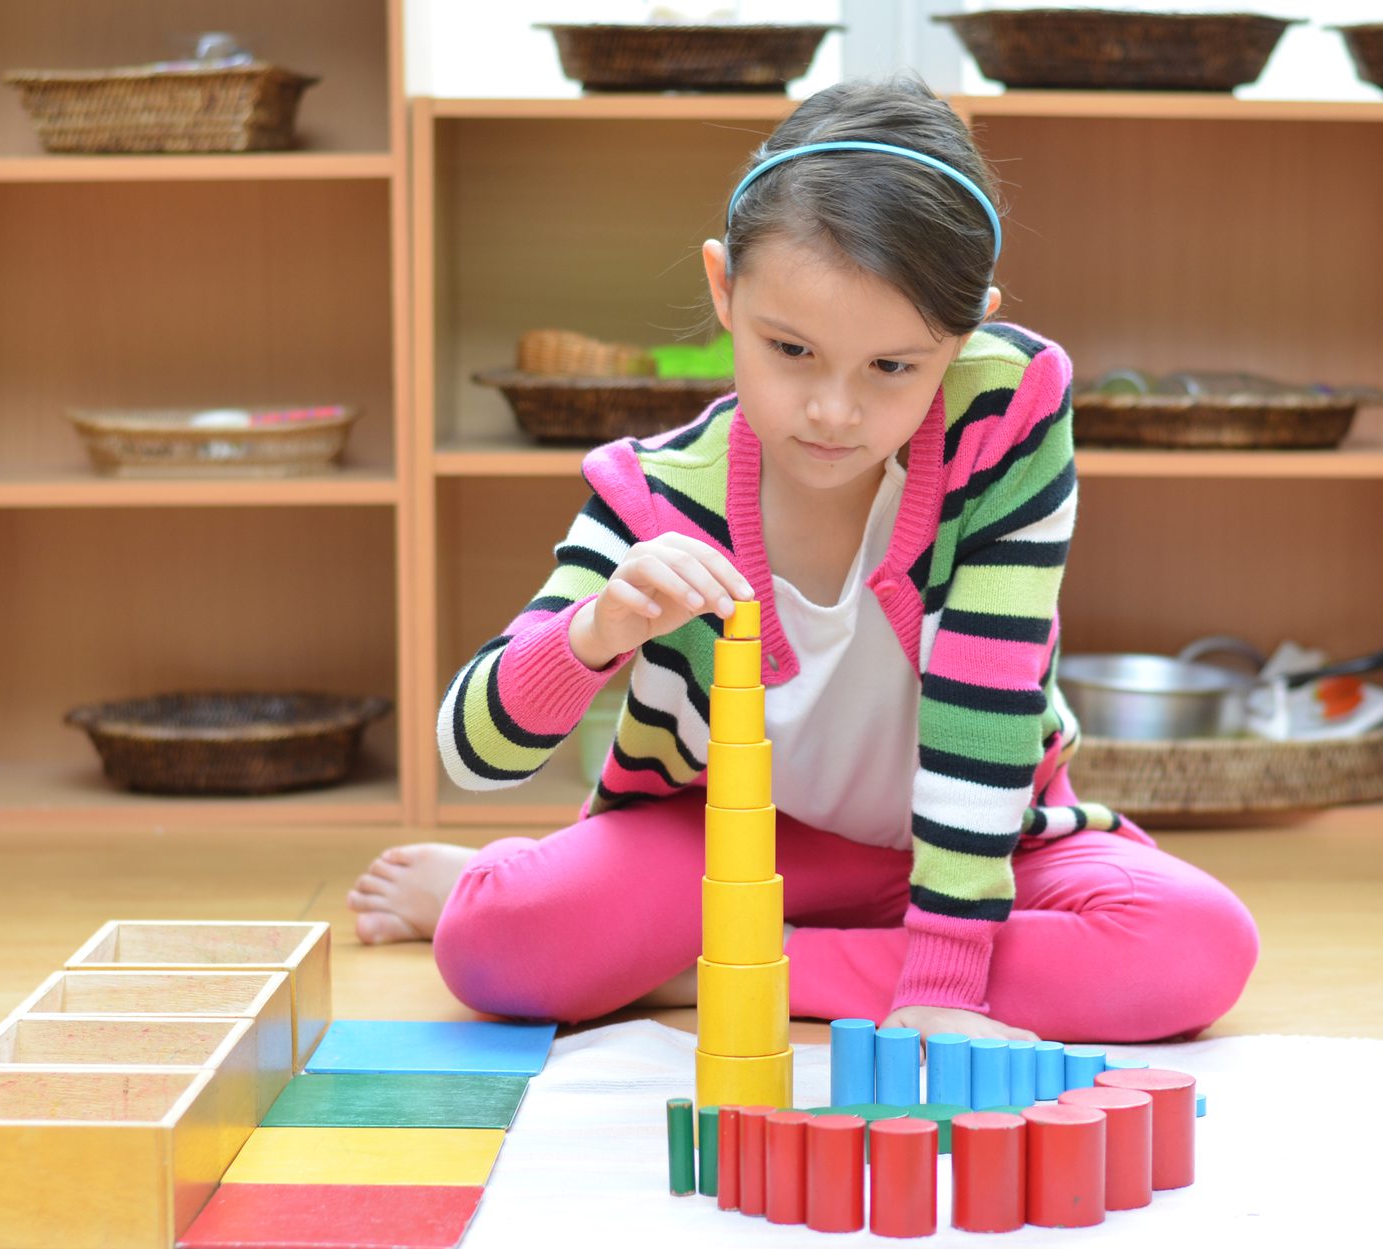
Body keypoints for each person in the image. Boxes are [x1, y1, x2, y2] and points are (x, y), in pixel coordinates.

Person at [349, 75, 1259, 1044]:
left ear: (965, 331)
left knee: (1198, 944)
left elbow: (986, 693)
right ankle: (632, 912)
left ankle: (723, 966)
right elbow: (469, 746)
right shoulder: (656, 492)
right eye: (790, 349)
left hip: (971, 843)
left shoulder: (1008, 409)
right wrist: (596, 630)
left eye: (892, 367)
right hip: (730, 842)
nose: (833, 411)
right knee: (490, 943)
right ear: (722, 289)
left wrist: (943, 982)